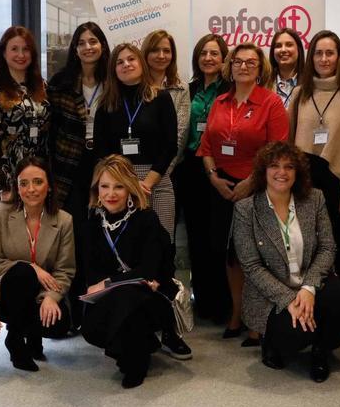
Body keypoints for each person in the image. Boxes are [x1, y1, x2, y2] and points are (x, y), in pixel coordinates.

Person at [233, 142, 340, 382]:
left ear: (297, 172)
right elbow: (251, 267)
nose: (282, 172)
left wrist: (309, 288)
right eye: (274, 166)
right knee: (294, 335)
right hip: (271, 296)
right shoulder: (246, 209)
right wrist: (289, 299)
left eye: (289, 167)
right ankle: (273, 344)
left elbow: (328, 247)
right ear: (263, 171)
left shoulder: (314, 199)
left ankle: (320, 350)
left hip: (311, 283)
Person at [198, 42, 290, 341]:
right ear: (230, 66)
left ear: (261, 67)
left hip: (258, 185)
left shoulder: (271, 102)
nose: (244, 66)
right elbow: (207, 145)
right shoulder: (220, 101)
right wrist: (213, 177)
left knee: (256, 255)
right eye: (238, 61)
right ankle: (237, 314)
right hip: (221, 185)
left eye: (251, 62)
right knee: (230, 256)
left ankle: (257, 319)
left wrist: (252, 181)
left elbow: (278, 151)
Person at [79, 155, 191, 389]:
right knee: (92, 324)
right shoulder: (92, 222)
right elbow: (91, 271)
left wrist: (111, 282)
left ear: (130, 187)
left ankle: (135, 360)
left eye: (119, 186)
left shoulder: (146, 218)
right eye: (105, 186)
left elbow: (150, 270)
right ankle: (141, 345)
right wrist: (109, 285)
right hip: (115, 296)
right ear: (96, 189)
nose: (111, 193)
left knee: (128, 296)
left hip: (152, 295)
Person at [288, 30, 340, 282]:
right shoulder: (299, 94)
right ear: (311, 57)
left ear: (339, 58)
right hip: (307, 180)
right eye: (318, 53)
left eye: (330, 53)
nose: (324, 59)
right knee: (309, 246)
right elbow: (290, 143)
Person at [0, 157, 79, 370]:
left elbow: (65, 271)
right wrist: (32, 268)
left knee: (59, 324)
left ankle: (35, 336)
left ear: (49, 186)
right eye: (23, 183)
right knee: (23, 273)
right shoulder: (0, 213)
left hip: (41, 293)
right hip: (7, 293)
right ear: (17, 187)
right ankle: (15, 340)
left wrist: (50, 298)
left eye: (38, 182)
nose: (31, 189)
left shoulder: (64, 220)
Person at [47, 21, 110, 330]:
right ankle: (67, 311)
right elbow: (51, 130)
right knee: (71, 240)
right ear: (74, 48)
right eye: (82, 42)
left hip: (105, 170)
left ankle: (96, 310)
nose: (88, 46)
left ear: (102, 46)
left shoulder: (113, 81)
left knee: (100, 238)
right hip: (68, 169)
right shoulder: (60, 83)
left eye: (94, 41)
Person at [93, 43, 179, 239]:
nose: (126, 64)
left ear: (141, 63)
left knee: (163, 243)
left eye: (131, 59)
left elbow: (170, 146)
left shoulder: (161, 98)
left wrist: (146, 184)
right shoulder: (106, 104)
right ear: (113, 70)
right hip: (118, 184)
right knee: (127, 245)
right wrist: (125, 183)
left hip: (156, 182)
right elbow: (101, 151)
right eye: (120, 62)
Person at [176, 34, 230, 322]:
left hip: (222, 168)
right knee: (196, 236)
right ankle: (203, 301)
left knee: (218, 238)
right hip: (190, 170)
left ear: (224, 58)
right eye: (203, 53)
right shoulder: (189, 89)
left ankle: (223, 302)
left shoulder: (231, 89)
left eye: (215, 53)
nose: (209, 58)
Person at [0, 26, 48, 220]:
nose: (21, 55)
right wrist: (4, 186)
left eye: (26, 49)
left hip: (37, 180)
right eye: (14, 49)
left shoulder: (42, 87)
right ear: (3, 52)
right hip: (6, 183)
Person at [142, 29, 192, 189]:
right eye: (155, 50)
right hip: (136, 168)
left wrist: (160, 173)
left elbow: (180, 134)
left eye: (166, 51)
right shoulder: (135, 86)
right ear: (145, 53)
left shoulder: (181, 88)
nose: (161, 55)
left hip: (170, 171)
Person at [269, 27, 305, 106]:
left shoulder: (310, 82)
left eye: (289, 45)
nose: (283, 50)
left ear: (298, 49)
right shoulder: (264, 83)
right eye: (278, 46)